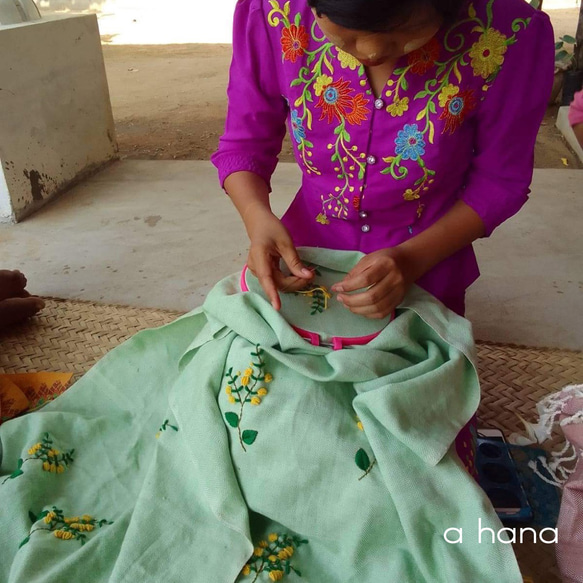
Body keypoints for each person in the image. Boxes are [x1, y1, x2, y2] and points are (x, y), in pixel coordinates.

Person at [212, 0, 554, 470]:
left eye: (404, 34)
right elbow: (244, 143)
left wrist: (411, 260)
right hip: (305, 268)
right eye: (344, 34)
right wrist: (258, 221)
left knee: (406, 459)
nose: (371, 51)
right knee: (261, 436)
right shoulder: (269, 13)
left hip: (429, 270)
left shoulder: (510, 33)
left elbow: (500, 181)